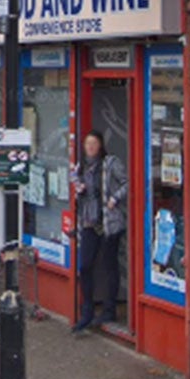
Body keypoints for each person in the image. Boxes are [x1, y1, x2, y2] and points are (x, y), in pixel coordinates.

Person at [70, 130, 127, 333]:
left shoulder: (111, 163)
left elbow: (128, 182)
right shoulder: (82, 166)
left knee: (109, 265)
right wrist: (78, 189)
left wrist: (115, 198)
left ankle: (109, 309)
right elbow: (75, 185)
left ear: (101, 145)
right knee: (85, 265)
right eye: (87, 144)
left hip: (109, 222)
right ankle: (87, 311)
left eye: (94, 143)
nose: (91, 147)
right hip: (89, 221)